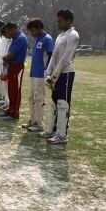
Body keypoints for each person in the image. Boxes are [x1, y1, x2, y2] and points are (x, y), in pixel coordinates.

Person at [40, 9, 80, 144]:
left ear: (68, 20)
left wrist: (54, 76)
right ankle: (51, 130)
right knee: (55, 103)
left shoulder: (73, 35)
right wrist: (48, 73)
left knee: (63, 104)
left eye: (60, 20)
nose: (58, 23)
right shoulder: (60, 35)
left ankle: (62, 135)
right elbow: (54, 57)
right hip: (55, 74)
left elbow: (65, 58)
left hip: (66, 73)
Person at [25, 18, 54, 132]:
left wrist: (48, 72)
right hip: (33, 73)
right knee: (31, 97)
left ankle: (39, 124)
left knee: (39, 98)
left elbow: (51, 56)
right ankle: (32, 121)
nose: (32, 33)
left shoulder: (47, 39)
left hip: (41, 74)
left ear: (39, 28)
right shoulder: (37, 38)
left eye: (33, 30)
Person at [0, 22, 28, 121]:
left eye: (7, 32)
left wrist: (5, 58)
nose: (7, 35)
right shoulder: (15, 38)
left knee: (15, 90)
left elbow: (12, 54)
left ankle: (15, 113)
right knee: (11, 89)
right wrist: (6, 60)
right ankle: (10, 110)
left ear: (13, 29)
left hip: (17, 66)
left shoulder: (20, 38)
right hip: (12, 65)